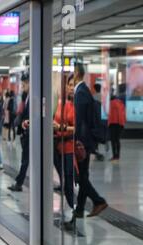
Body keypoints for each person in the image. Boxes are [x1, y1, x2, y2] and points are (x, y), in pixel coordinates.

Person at [72, 63, 108, 220]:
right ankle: (79, 209)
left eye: (72, 73)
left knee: (80, 177)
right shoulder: (84, 91)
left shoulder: (80, 92)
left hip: (83, 142)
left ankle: (98, 201)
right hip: (86, 141)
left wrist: (76, 140)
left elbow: (78, 120)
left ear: (77, 73)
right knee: (83, 175)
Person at [53, 74, 76, 210]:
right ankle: (71, 207)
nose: (72, 88)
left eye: (74, 85)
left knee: (70, 178)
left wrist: (62, 127)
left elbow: (78, 128)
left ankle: (74, 207)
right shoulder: (60, 104)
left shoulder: (77, 105)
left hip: (71, 147)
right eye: (70, 85)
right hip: (58, 146)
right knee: (65, 178)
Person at [8, 73, 30, 192]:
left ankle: (19, 183)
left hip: (31, 135)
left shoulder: (33, 97)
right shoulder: (26, 97)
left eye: (24, 84)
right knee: (25, 160)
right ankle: (19, 182)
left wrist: (26, 122)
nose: (22, 87)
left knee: (25, 160)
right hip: (26, 134)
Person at [108, 92, 126, 162]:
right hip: (120, 123)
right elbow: (123, 114)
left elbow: (108, 114)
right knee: (117, 140)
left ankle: (114, 156)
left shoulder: (110, 103)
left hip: (113, 123)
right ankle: (118, 156)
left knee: (113, 140)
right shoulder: (121, 103)